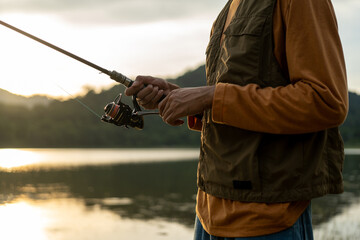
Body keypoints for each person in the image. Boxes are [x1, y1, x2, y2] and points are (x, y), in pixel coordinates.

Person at [125, 0, 348, 239]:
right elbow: (230, 105)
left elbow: (326, 101)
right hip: (206, 216)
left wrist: (212, 96)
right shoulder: (227, 10)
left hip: (267, 221)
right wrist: (181, 99)